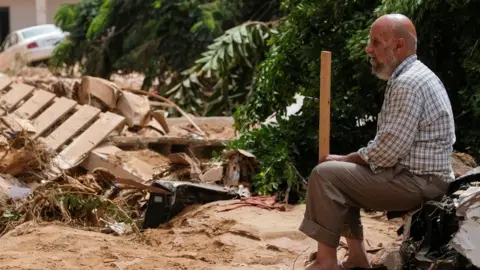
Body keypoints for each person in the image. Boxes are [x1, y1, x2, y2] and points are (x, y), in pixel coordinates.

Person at [299, 14, 456, 270]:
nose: (368, 49)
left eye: (376, 42)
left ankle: (326, 263)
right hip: (422, 178)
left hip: (418, 181)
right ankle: (358, 258)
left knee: (325, 175)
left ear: (398, 45)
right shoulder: (417, 74)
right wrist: (349, 163)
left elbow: (387, 152)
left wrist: (346, 158)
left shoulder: (408, 83)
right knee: (340, 175)